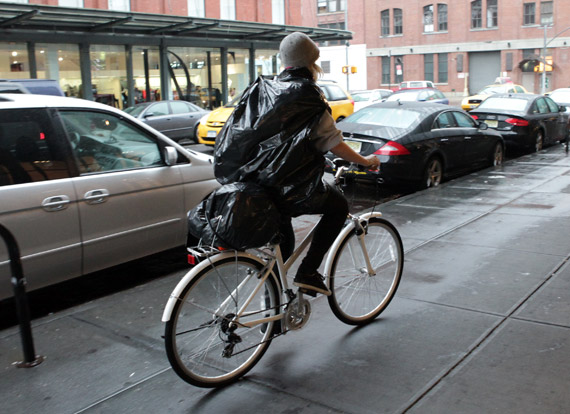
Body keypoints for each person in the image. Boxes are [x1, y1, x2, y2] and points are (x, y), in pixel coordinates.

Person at [274, 32, 380, 296]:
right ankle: (309, 272)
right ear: (311, 63)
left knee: (280, 253)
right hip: (289, 186)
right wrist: (365, 161)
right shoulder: (307, 96)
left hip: (261, 184)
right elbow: (332, 142)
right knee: (338, 206)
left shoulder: (269, 89)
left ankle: (273, 312)